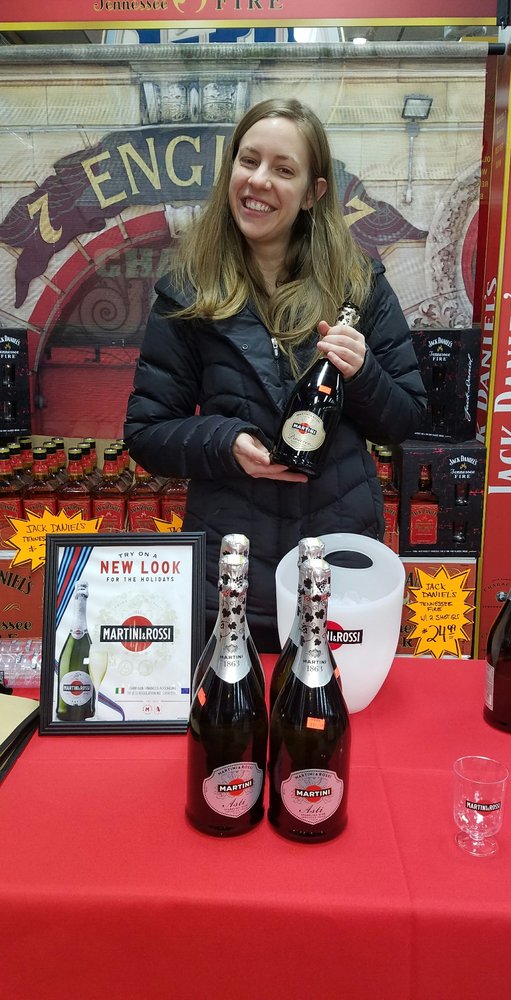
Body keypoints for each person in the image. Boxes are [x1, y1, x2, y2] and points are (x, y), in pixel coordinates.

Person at [124, 97, 427, 652]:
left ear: (313, 192)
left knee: (327, 707)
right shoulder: (187, 292)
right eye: (248, 160)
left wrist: (363, 373)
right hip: (229, 576)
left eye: (284, 169)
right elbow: (146, 433)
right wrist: (225, 441)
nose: (259, 180)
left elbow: (404, 419)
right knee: (231, 706)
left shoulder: (358, 286)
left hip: (335, 573)